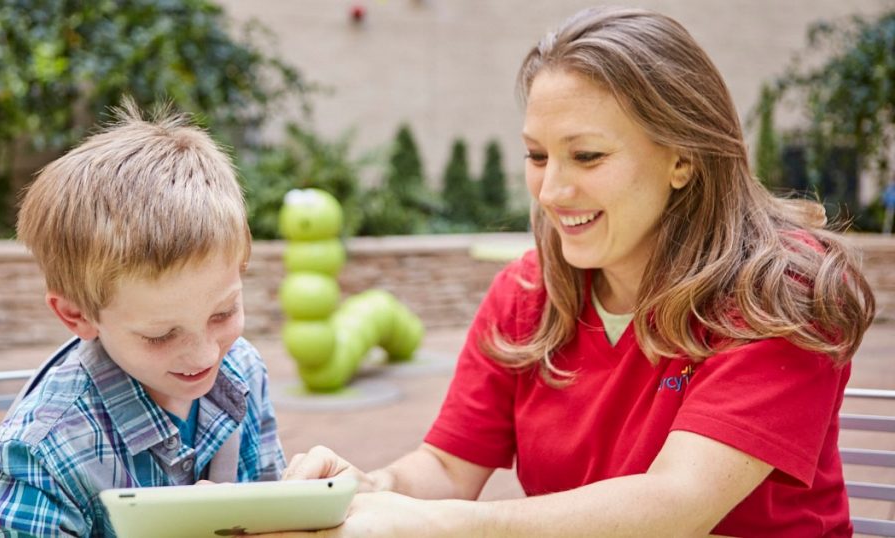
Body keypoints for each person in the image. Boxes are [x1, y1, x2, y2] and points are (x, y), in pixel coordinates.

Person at [275, 6, 875, 537]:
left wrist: (436, 524)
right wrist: (368, 490)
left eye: (586, 155)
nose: (553, 190)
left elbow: (677, 506)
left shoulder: (784, 291)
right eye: (537, 156)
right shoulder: (526, 294)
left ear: (683, 160)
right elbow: (447, 468)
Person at [0, 101, 285, 536]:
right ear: (76, 315)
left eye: (223, 313)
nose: (205, 353)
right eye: (160, 335)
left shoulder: (243, 370)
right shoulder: (43, 454)